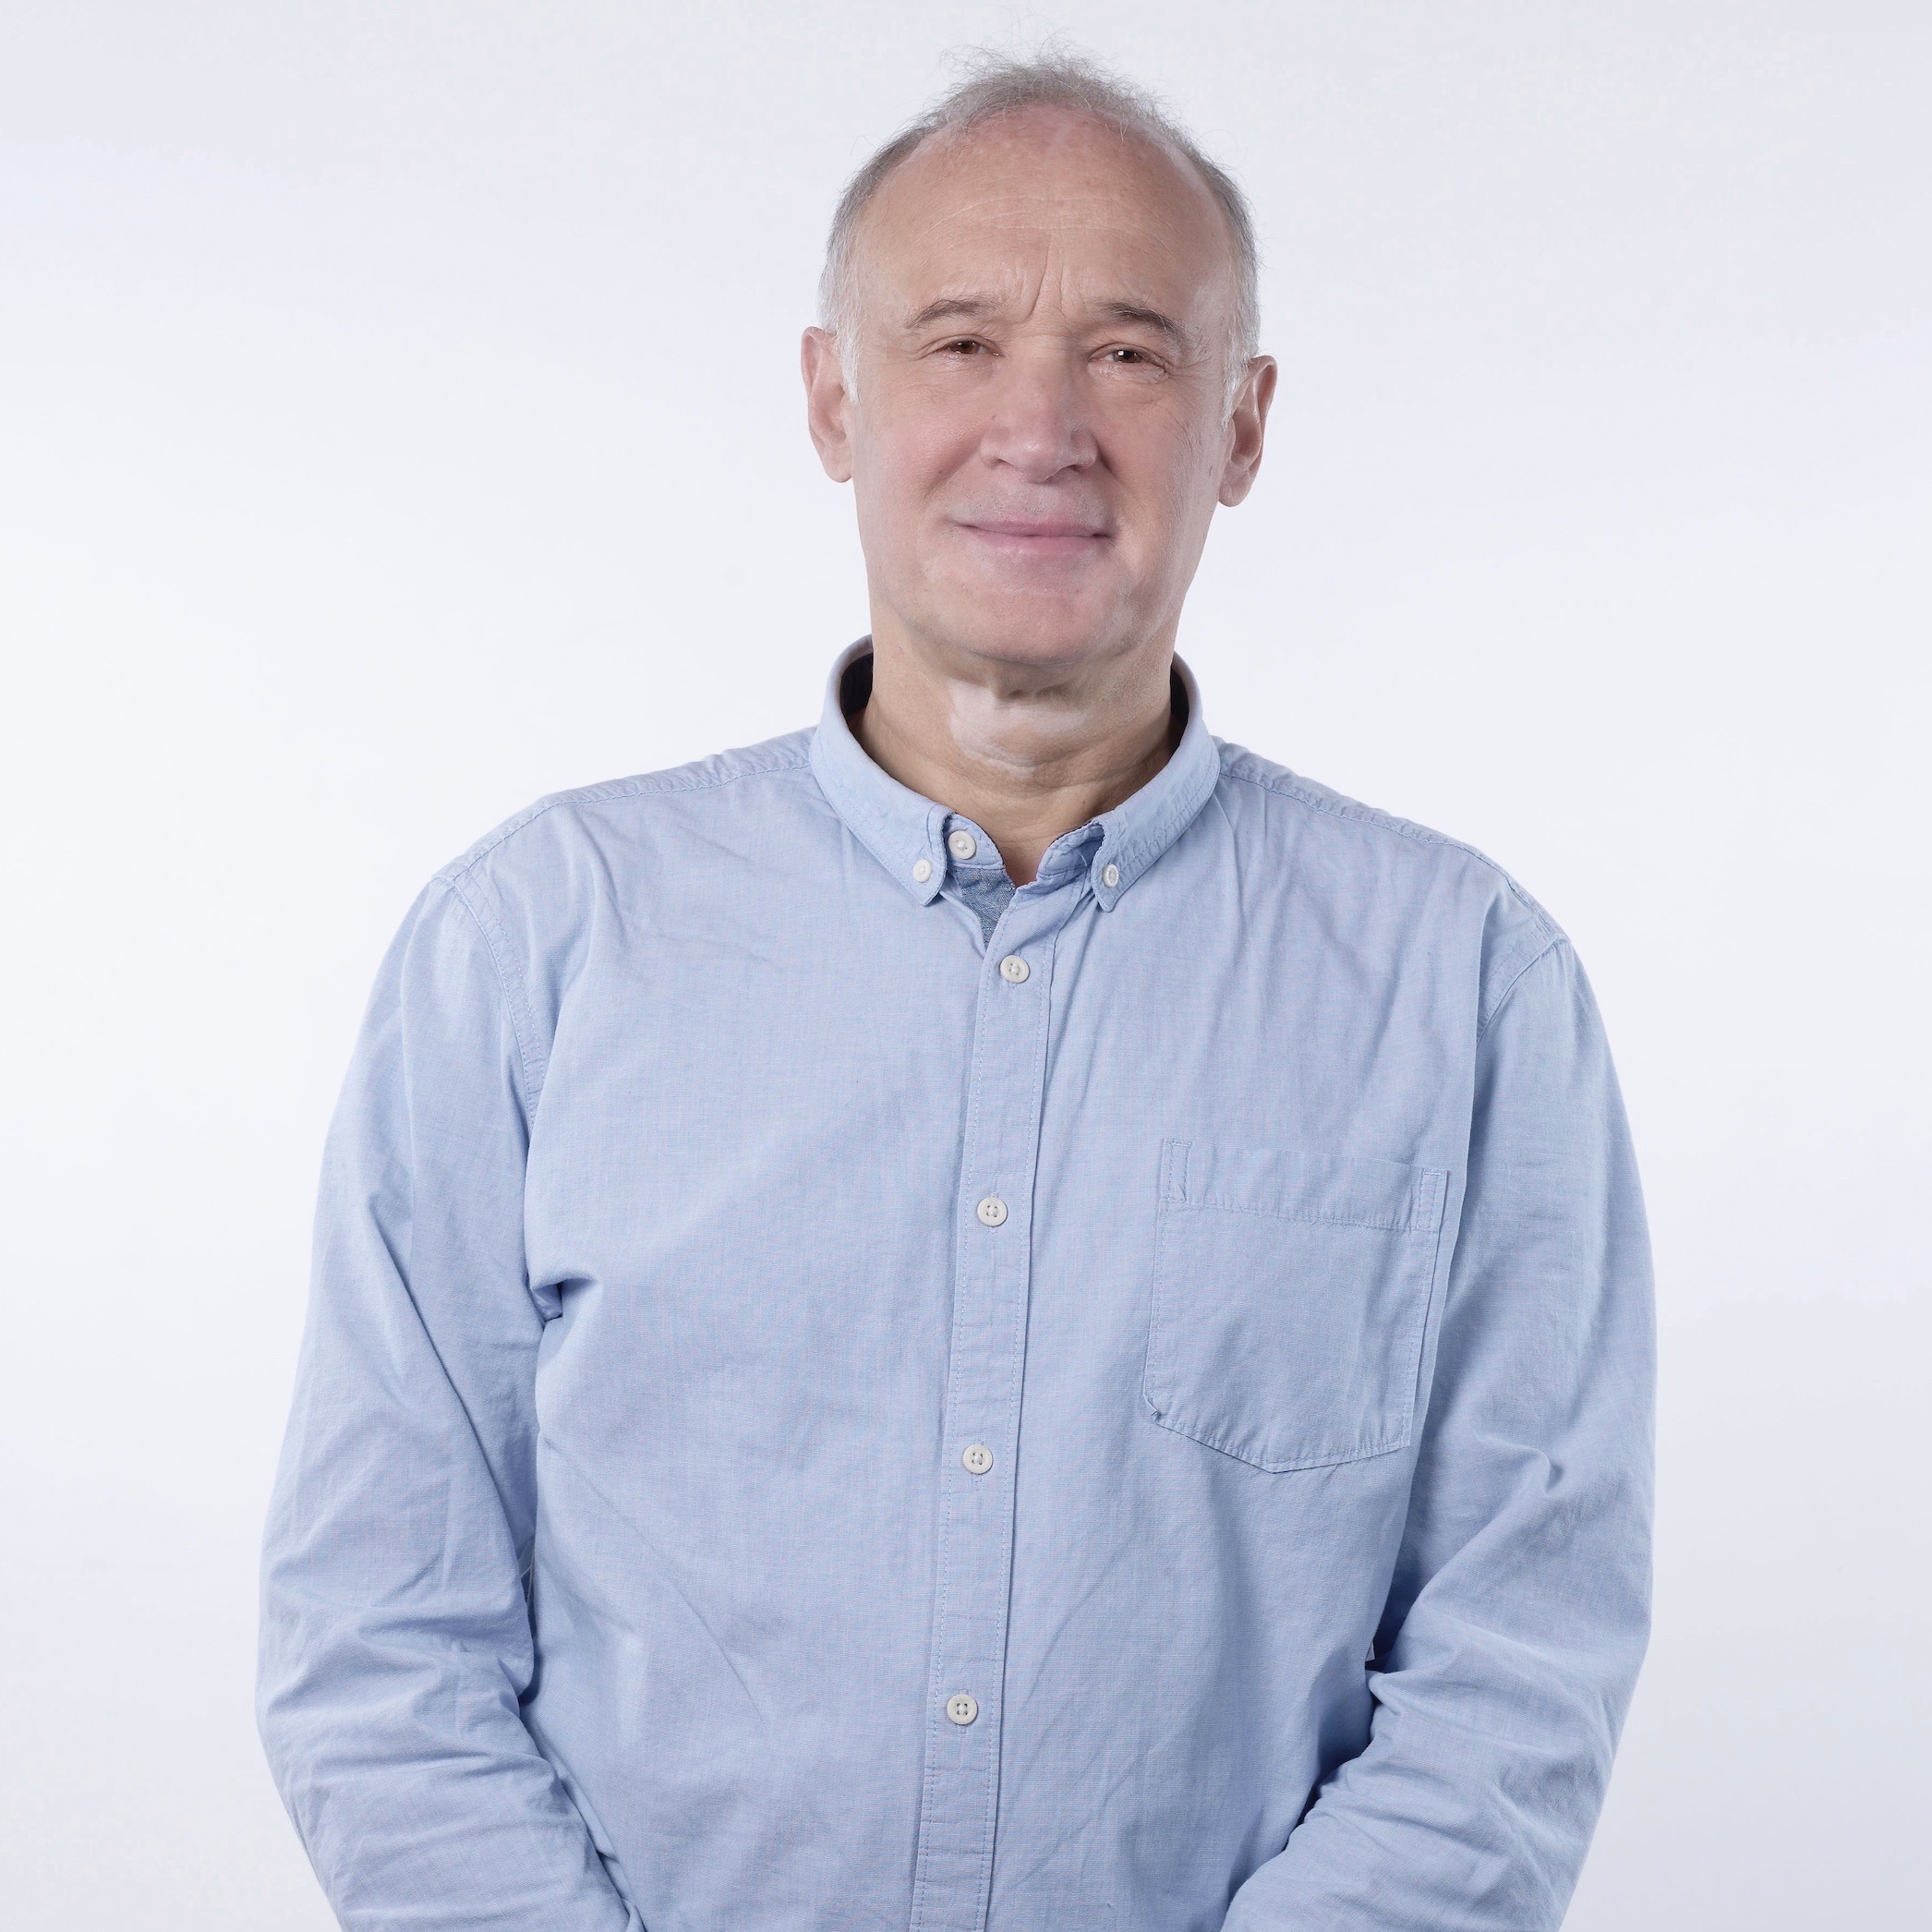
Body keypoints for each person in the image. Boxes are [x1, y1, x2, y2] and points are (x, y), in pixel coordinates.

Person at [259, 49, 1653, 1932]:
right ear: (833, 396)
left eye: (1129, 352)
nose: (1040, 428)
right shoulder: (534, 944)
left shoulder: (1465, 986)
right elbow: (379, 1640)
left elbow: (1517, 1666)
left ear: (1241, 425)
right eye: (960, 342)